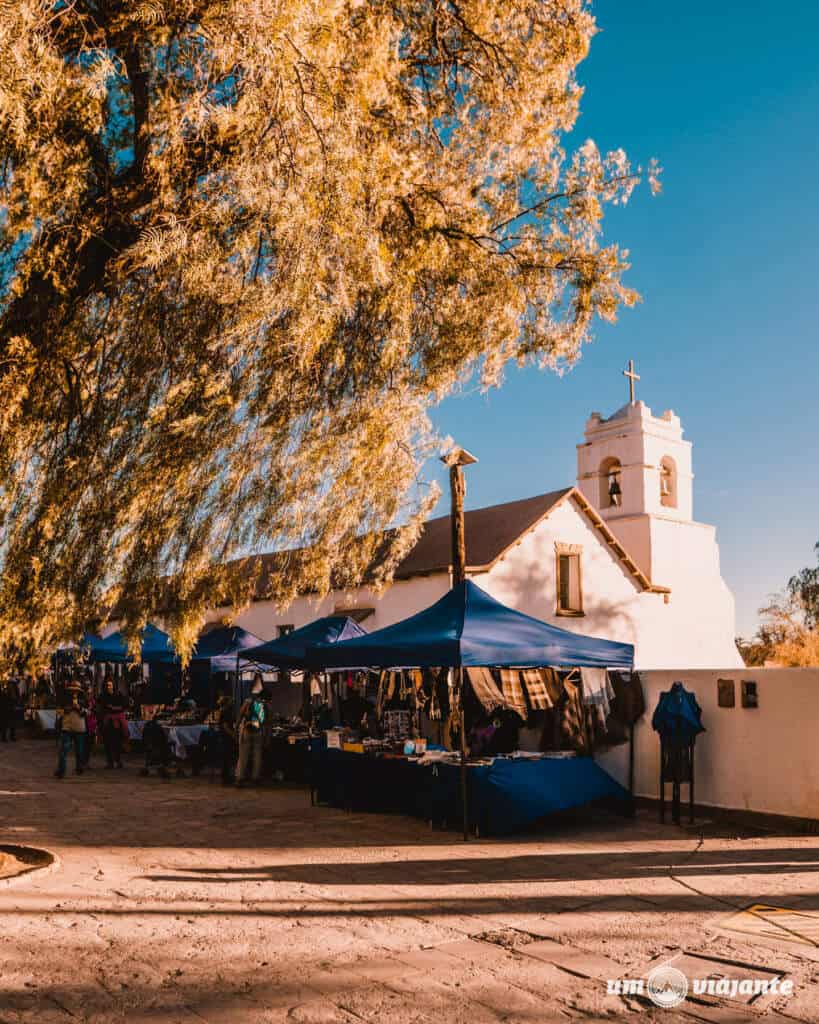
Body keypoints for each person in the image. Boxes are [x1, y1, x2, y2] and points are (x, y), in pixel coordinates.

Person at [235, 675, 266, 787]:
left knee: (243, 754)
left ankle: (240, 777)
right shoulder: (262, 704)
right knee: (257, 755)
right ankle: (255, 777)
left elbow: (240, 715)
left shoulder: (248, 701)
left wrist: (236, 727)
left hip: (247, 729)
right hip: (258, 730)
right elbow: (264, 720)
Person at [55, 689, 87, 778]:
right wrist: (66, 710)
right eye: (72, 690)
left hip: (79, 728)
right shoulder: (64, 699)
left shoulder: (83, 700)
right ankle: (61, 770)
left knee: (79, 751)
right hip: (67, 727)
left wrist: (78, 707)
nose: (74, 692)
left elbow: (87, 713)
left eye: (76, 690)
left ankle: (79, 768)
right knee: (63, 750)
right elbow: (58, 712)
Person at [99, 678, 128, 769]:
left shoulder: (118, 695)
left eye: (110, 685)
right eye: (107, 685)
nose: (109, 687)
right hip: (108, 723)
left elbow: (124, 706)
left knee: (117, 743)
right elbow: (102, 707)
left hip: (117, 723)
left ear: (113, 686)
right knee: (107, 743)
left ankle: (118, 761)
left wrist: (114, 708)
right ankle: (110, 762)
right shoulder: (103, 696)